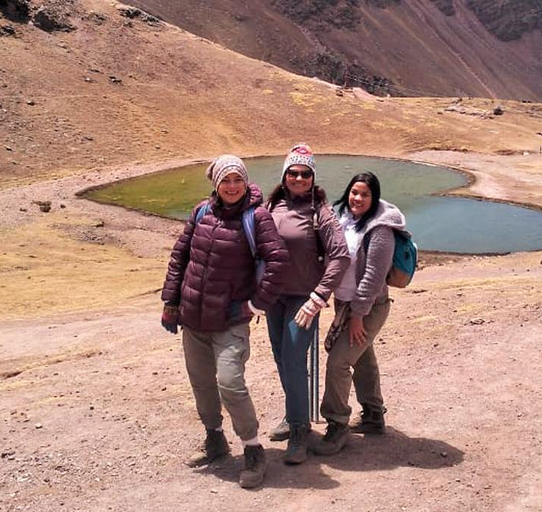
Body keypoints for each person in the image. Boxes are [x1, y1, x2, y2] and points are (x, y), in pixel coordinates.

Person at [161, 155, 289, 489]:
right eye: (225, 180)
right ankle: (214, 440)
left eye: (237, 180)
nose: (232, 187)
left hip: (230, 320)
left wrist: (256, 304)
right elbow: (180, 257)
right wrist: (170, 302)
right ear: (215, 184)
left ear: (246, 182)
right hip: (193, 318)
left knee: (230, 382)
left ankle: (252, 448)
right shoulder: (201, 212)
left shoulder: (256, 217)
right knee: (201, 382)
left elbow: (278, 261)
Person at [265, 143, 350, 464]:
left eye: (305, 173)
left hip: (304, 299)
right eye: (293, 172)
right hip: (273, 297)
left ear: (312, 178)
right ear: (285, 175)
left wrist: (318, 297)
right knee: (281, 359)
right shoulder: (272, 204)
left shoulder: (321, 212)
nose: (299, 178)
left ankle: (300, 430)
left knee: (293, 360)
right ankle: (294, 413)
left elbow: (340, 255)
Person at [312, 172, 406, 456]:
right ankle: (374, 416)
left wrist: (357, 316)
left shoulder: (380, 230)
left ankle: (337, 424)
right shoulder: (345, 219)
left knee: (339, 362)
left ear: (373, 197)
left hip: (367, 308)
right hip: (345, 304)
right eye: (354, 192)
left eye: (365, 194)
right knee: (363, 357)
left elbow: (374, 277)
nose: (358, 198)